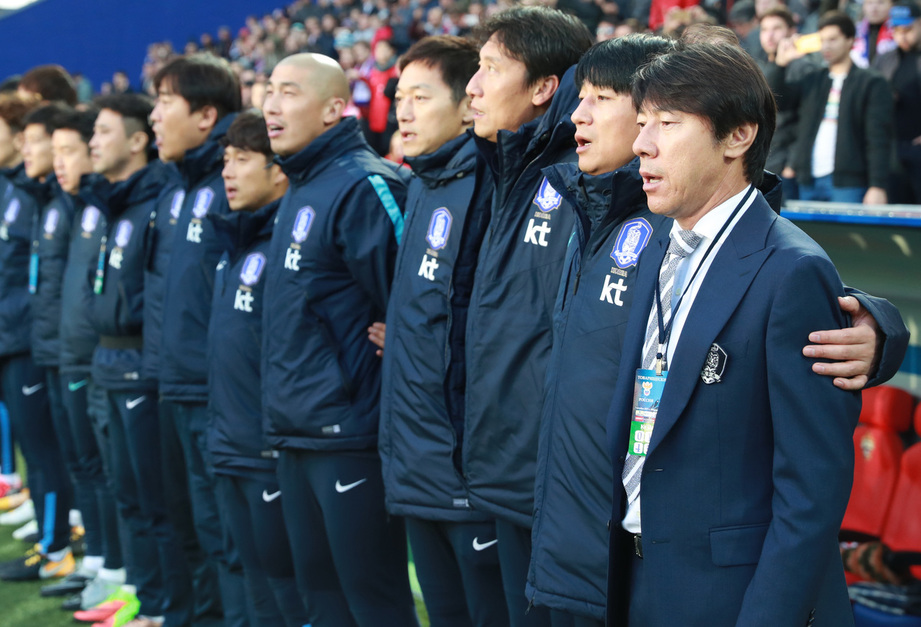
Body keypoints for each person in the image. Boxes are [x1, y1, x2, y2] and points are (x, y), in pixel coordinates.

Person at [606, 42, 861, 626]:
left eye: (667, 124)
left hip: (733, 598)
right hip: (638, 575)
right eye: (642, 124)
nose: (642, 143)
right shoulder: (653, 247)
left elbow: (811, 489)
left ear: (737, 136)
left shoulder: (794, 271)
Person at [261, 52, 415, 627]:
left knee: (372, 603)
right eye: (269, 90)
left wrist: (392, 335)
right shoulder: (301, 186)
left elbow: (407, 305)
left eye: (289, 91)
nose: (272, 104)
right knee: (320, 599)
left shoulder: (366, 184)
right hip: (296, 429)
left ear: (333, 108)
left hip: (349, 433)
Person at [459, 8, 592, 625]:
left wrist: (874, 325)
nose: (473, 86)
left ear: (543, 88)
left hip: (552, 481)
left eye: (490, 69)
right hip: (500, 465)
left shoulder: (591, 178)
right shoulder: (505, 167)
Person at [372, 35, 508, 627]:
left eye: (420, 96)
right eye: (399, 96)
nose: (404, 110)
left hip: (465, 473)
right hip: (415, 463)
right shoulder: (421, 182)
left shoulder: (489, 182)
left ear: (466, 104)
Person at [81, 93, 188, 627]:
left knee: (158, 502)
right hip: (106, 368)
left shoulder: (157, 202)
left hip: (139, 373)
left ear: (137, 140)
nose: (92, 143)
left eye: (102, 131)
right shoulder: (114, 202)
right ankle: (148, 603)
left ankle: (171, 609)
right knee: (126, 498)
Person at [149, 53, 248, 627]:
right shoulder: (176, 188)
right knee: (195, 530)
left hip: (217, 396)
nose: (154, 118)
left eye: (165, 104)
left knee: (233, 541)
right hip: (174, 384)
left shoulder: (236, 184)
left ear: (206, 114)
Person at [207, 109, 308, 627]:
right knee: (253, 578)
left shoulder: (288, 250)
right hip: (229, 443)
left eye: (242, 159)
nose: (228, 171)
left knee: (289, 585)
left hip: (268, 449)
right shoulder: (234, 243)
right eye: (225, 159)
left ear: (278, 171)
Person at [40, 105, 118, 605]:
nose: (59, 163)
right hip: (67, 353)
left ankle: (115, 568)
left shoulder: (105, 207)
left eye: (69, 151)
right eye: (56, 153)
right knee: (84, 466)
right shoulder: (75, 205)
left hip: (98, 361)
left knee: (108, 474)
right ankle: (97, 562)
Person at [0, 102, 76, 583]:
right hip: (16, 339)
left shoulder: (48, 200)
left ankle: (58, 548)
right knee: (42, 447)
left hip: (31, 340)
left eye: (32, 140)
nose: (28, 149)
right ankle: (56, 542)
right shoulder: (22, 192)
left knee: (50, 452)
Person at [769, 11, 893, 204]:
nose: (826, 46)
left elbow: (877, 137)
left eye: (833, 39)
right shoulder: (813, 80)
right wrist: (781, 64)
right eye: (822, 40)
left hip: (849, 182)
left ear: (851, 40)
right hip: (808, 179)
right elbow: (777, 102)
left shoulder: (871, 82)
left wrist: (877, 185)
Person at [755, 6, 820, 200]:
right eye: (765, 30)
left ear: (792, 32)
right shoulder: (757, 67)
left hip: (787, 165)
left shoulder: (805, 68)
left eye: (777, 29)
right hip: (761, 161)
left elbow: (805, 120)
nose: (770, 35)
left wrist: (793, 162)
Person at [872, 0, 921, 203]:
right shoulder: (885, 59)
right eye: (897, 30)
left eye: (908, 29)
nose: (902, 35)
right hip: (892, 149)